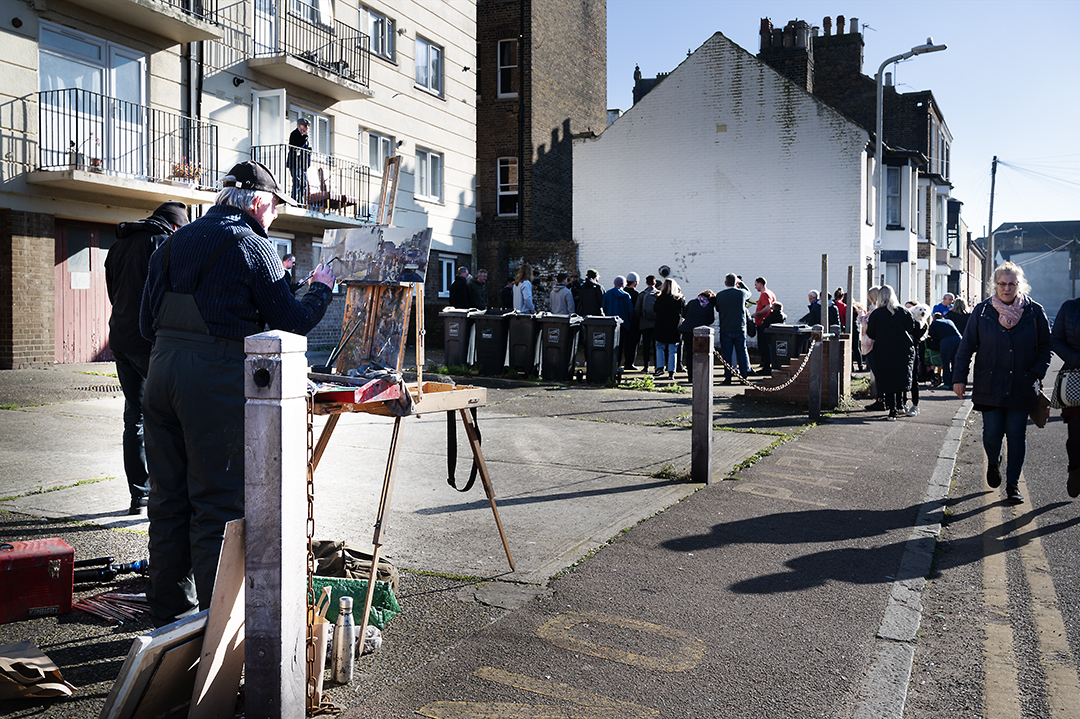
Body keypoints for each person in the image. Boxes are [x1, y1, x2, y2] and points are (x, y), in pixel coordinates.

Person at [139, 160, 335, 625]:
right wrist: (321, 289)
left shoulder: (172, 241)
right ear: (259, 202)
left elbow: (146, 324)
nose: (274, 219)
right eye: (275, 210)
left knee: (167, 500)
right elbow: (294, 322)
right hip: (212, 380)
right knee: (216, 504)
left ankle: (169, 618)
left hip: (161, 373)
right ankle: (213, 627)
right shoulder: (253, 243)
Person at [106, 201, 190, 515]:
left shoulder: (118, 245)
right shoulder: (163, 244)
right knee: (165, 417)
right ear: (175, 226)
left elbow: (114, 293)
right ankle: (165, 495)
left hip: (120, 340)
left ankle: (137, 495)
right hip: (149, 341)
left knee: (135, 417)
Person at [953, 262, 1051, 504]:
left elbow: (1046, 348)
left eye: (1012, 284)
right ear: (994, 285)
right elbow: (966, 346)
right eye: (1002, 284)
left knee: (1016, 435)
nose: (1007, 288)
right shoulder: (982, 311)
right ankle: (994, 462)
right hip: (990, 383)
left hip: (1022, 384)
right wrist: (959, 378)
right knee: (992, 434)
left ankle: (1013, 484)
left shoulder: (1034, 312)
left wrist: (1034, 374)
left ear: (1019, 285)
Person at [865, 285, 918, 420]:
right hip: (903, 349)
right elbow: (911, 328)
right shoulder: (903, 311)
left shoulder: (876, 314)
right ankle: (901, 405)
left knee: (887, 378)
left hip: (883, 349)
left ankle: (892, 411)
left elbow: (871, 333)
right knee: (900, 377)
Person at [1050, 296, 1080, 497]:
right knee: (1076, 438)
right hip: (1077, 379)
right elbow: (1056, 339)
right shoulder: (1070, 307)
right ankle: (1075, 470)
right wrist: (1077, 359)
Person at [714, 273, 750, 384]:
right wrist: (741, 283)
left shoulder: (719, 295)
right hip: (740, 327)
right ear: (736, 283)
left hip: (726, 328)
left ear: (725, 283)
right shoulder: (742, 293)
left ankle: (728, 377)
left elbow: (718, 309)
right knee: (742, 352)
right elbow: (749, 292)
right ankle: (743, 376)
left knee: (727, 354)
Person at [679, 288, 716, 383]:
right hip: (700, 333)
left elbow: (684, 315)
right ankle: (699, 375)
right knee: (700, 354)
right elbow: (711, 319)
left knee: (689, 353)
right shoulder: (709, 306)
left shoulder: (692, 302)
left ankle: (690, 376)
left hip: (687, 330)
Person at [653, 279, 686, 380]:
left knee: (660, 348)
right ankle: (671, 371)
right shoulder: (679, 299)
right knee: (673, 350)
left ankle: (659, 368)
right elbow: (684, 312)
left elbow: (655, 310)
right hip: (675, 327)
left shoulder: (660, 298)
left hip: (661, 326)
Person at [859, 286, 884, 411]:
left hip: (871, 344)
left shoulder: (874, 309)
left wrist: (861, 314)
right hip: (876, 344)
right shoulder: (879, 309)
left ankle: (881, 399)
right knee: (879, 373)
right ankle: (882, 399)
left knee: (878, 373)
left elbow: (866, 325)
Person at [602, 276, 634, 366]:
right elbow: (630, 310)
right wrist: (628, 320)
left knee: (610, 344)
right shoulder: (626, 295)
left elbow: (603, 307)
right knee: (620, 346)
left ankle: (609, 363)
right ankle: (618, 364)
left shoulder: (608, 294)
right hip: (623, 324)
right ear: (623, 284)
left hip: (610, 323)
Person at [927, 312, 962, 388]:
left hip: (946, 341)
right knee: (954, 362)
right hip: (959, 339)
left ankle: (947, 383)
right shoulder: (949, 321)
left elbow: (931, 334)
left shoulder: (935, 323)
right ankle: (954, 382)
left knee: (945, 362)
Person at [751, 277, 777, 375]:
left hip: (763, 324)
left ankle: (766, 367)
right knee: (766, 346)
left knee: (763, 346)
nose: (755, 287)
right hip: (766, 324)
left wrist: (757, 314)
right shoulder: (770, 293)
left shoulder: (764, 294)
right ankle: (766, 365)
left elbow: (768, 307)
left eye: (755, 284)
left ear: (760, 283)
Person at [635, 275, 659, 372]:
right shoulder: (658, 294)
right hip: (656, 324)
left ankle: (646, 367)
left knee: (646, 346)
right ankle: (657, 366)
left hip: (644, 324)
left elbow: (637, 310)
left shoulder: (642, 295)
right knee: (657, 346)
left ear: (646, 283)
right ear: (655, 283)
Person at [286, 117, 311, 203]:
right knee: (297, 182)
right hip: (295, 163)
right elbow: (297, 146)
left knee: (303, 184)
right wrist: (304, 137)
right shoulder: (294, 134)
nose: (306, 128)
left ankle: (300, 202)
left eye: (307, 126)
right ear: (299, 126)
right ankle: (294, 201)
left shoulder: (304, 136)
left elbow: (306, 148)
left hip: (302, 163)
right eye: (305, 126)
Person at [622, 272, 641, 370]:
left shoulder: (622, 292)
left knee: (623, 343)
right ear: (635, 282)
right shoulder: (636, 294)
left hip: (622, 322)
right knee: (633, 344)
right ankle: (629, 363)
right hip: (634, 323)